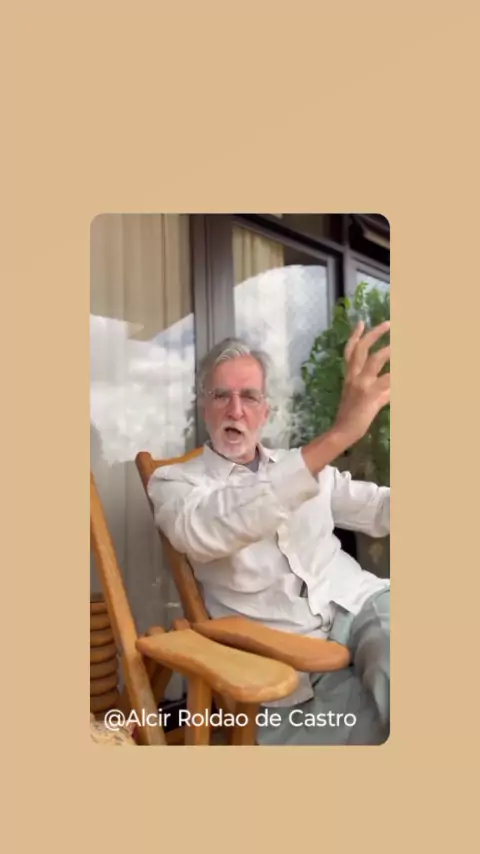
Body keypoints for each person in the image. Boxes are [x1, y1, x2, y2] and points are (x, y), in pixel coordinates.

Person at [148, 321, 391, 745]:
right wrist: (339, 436)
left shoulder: (303, 464)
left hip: (360, 605)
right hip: (287, 670)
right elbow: (207, 529)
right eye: (220, 395)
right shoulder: (175, 484)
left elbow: (377, 509)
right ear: (203, 407)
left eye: (249, 396)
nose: (235, 410)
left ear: (266, 411)